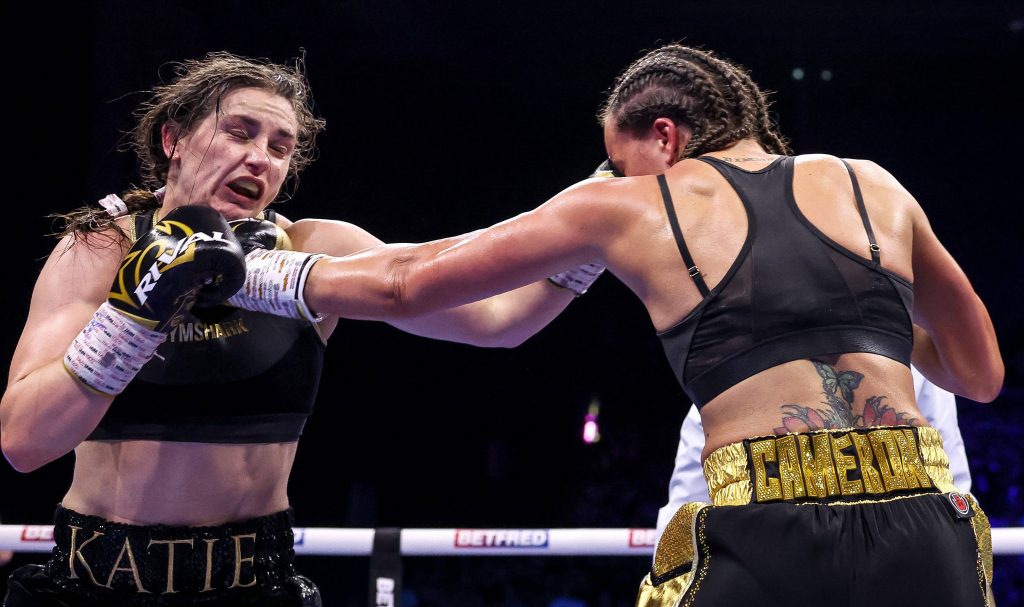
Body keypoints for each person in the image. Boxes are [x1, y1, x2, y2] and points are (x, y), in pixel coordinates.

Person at [228, 43, 1005, 605]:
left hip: (766, 529)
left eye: (619, 160)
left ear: (663, 136)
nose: (615, 178)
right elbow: (979, 375)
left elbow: (404, 284)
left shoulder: (626, 204)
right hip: (926, 525)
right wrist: (850, 318)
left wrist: (252, 271)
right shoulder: (872, 183)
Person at [0, 51, 595, 607]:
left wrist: (594, 224)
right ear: (173, 139)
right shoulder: (101, 248)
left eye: (281, 147)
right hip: (90, 584)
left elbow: (499, 320)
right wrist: (136, 313)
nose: (262, 157)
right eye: (240, 132)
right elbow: (23, 442)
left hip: (255, 585)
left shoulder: (313, 251)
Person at [655, 365, 973, 544]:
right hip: (775, 565)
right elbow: (686, 508)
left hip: (902, 555)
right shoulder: (728, 373)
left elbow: (953, 487)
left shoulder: (912, 367)